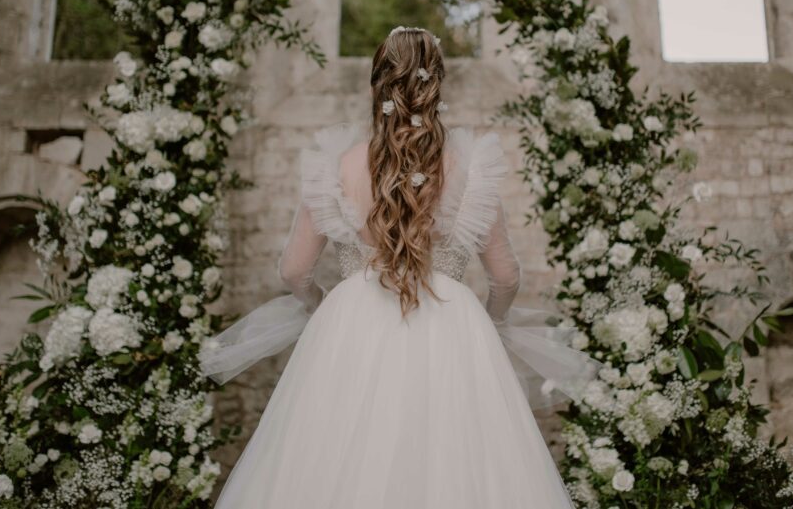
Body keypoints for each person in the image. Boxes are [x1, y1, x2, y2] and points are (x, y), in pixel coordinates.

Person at [199, 26, 600, 508]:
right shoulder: (469, 170)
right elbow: (506, 275)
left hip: (351, 325)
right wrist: (492, 322)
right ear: (437, 86)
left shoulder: (336, 166)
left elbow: (293, 270)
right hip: (451, 325)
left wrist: (319, 305)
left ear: (377, 84)